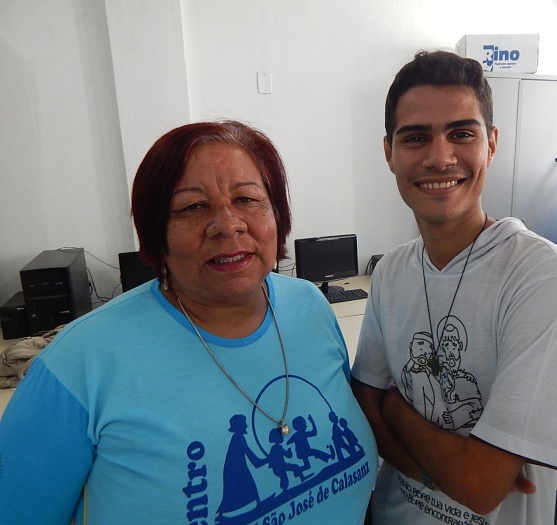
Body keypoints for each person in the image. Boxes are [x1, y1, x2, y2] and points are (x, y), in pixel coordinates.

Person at [0, 120, 378, 524]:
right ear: (156, 234)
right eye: (193, 207)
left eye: (247, 199)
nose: (228, 225)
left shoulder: (310, 307)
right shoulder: (78, 364)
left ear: (277, 215)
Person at [351, 51, 557, 525]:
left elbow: (480, 486)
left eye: (461, 133)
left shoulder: (541, 273)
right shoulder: (392, 271)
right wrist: (440, 467)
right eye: (415, 137)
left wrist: (394, 407)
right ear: (389, 153)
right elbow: (362, 404)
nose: (440, 157)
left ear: (491, 144)